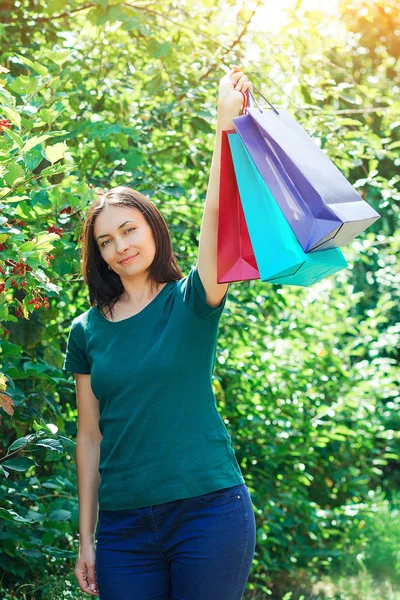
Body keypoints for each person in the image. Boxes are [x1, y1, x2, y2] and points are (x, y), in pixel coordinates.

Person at [63, 65, 256, 600]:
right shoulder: (85, 332)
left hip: (208, 512)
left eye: (129, 229)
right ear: (98, 255)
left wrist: (225, 123)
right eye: (106, 241)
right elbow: (89, 437)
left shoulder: (193, 300)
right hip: (124, 531)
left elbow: (217, 217)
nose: (120, 246)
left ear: (152, 229)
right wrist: (87, 538)